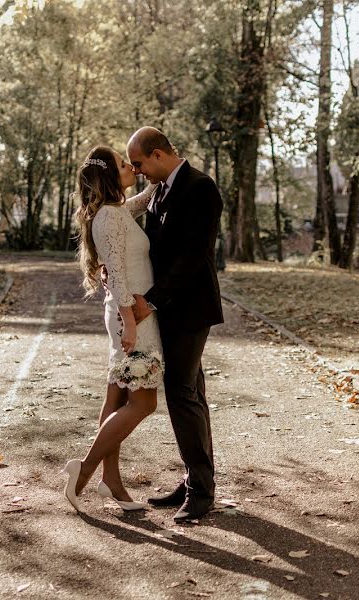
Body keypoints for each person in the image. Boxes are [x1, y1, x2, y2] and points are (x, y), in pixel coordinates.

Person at [126, 126, 224, 523]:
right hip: (170, 308)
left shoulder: (200, 187)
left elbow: (192, 258)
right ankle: (194, 479)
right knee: (190, 394)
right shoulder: (160, 190)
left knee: (182, 393)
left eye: (139, 163)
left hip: (190, 307)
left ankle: (201, 492)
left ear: (158, 155)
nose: (137, 171)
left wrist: (151, 301)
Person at [62, 145, 162, 513]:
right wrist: (132, 323)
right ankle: (85, 471)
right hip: (131, 318)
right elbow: (117, 275)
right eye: (124, 165)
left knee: (117, 399)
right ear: (108, 175)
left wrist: (165, 173)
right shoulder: (106, 218)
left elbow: (138, 202)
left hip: (129, 316)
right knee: (144, 402)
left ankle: (112, 481)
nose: (130, 167)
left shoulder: (116, 212)